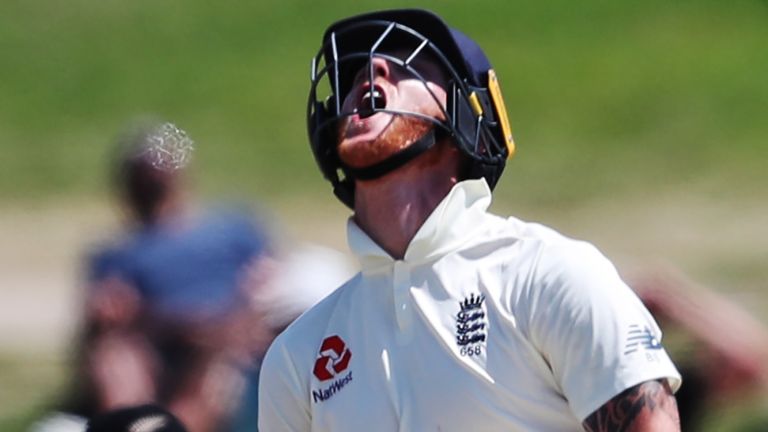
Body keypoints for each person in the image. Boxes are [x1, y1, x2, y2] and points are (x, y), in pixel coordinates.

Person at [258, 8, 682, 431]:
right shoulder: (298, 357)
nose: (374, 69)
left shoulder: (546, 275)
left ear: (471, 115)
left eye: (410, 64)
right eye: (353, 78)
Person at [32, 120, 352, 432]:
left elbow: (276, 288)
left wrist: (228, 326)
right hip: (157, 347)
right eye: (143, 174)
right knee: (115, 355)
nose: (153, 181)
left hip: (230, 342)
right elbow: (93, 338)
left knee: (216, 362)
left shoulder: (232, 229)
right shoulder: (113, 256)